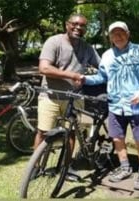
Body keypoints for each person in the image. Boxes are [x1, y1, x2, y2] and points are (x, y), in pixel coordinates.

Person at [81, 21, 139, 190]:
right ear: (110, 37)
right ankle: (125, 168)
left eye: (121, 32)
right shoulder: (107, 55)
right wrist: (84, 79)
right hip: (115, 105)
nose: (118, 36)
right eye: (114, 33)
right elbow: (102, 77)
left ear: (128, 34)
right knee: (117, 137)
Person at [33, 13, 101, 180]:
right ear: (66, 24)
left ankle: (67, 167)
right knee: (43, 132)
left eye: (82, 25)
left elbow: (102, 66)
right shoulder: (54, 42)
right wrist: (72, 75)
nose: (78, 28)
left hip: (75, 97)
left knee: (71, 133)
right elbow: (44, 68)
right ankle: (35, 167)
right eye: (75, 24)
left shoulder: (87, 48)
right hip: (51, 95)